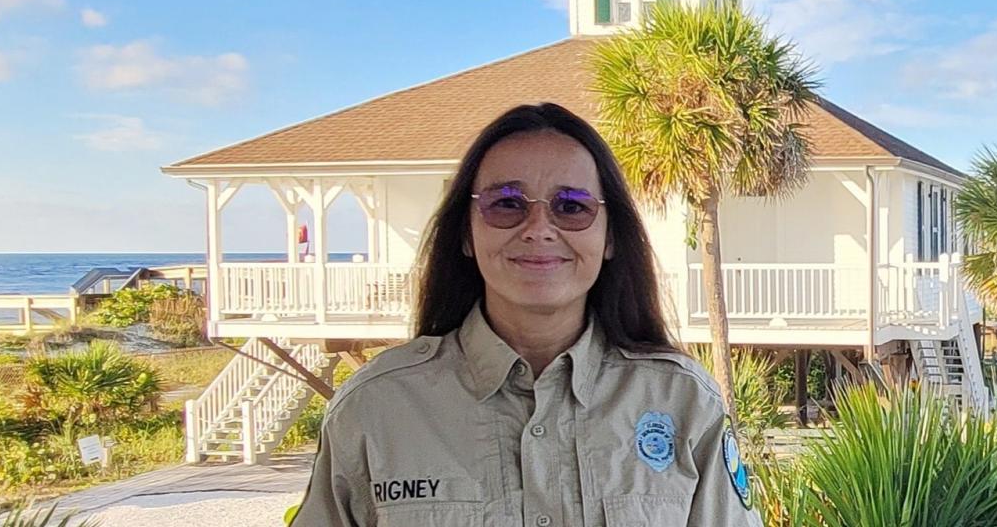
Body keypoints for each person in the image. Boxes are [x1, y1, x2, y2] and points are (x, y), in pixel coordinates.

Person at [291, 103, 761, 526]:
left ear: (610, 237)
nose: (539, 229)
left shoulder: (682, 401)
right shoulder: (376, 409)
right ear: (467, 235)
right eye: (507, 204)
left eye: (572, 207)